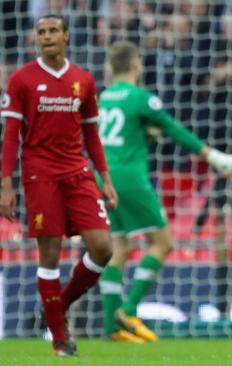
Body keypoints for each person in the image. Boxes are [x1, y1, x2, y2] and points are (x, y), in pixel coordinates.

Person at [96, 41, 232, 343]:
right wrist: (214, 157)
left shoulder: (102, 100)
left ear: (111, 68)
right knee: (162, 242)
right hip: (129, 178)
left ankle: (112, 328)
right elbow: (174, 129)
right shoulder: (141, 98)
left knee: (119, 247)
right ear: (136, 65)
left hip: (101, 177)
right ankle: (128, 309)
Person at [0, 14, 117, 356]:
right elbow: (10, 137)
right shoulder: (22, 80)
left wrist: (105, 179)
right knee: (49, 256)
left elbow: (92, 134)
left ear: (66, 36)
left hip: (78, 172)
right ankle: (60, 339)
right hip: (40, 175)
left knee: (103, 248)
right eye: (41, 32)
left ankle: (57, 308)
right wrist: (6, 185)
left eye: (53, 31)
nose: (47, 36)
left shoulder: (83, 79)